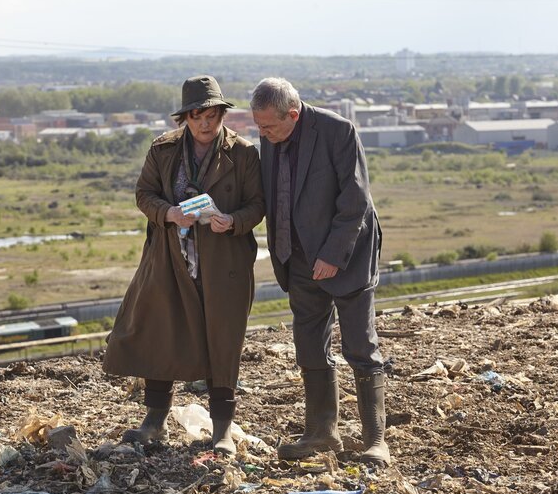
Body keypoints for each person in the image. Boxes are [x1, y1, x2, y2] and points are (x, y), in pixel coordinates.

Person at [104, 75, 264, 456]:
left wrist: (234, 222)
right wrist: (170, 213)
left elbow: (258, 204)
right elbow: (144, 194)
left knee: (222, 343)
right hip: (170, 257)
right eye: (197, 116)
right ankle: (155, 420)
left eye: (212, 115)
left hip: (223, 262)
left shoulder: (243, 153)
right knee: (161, 331)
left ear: (222, 114)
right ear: (185, 118)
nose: (205, 123)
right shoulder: (163, 150)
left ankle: (222, 429)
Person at [250, 77, 389, 466]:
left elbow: (356, 199)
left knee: (360, 347)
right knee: (309, 344)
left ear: (292, 115)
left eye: (268, 127)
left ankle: (375, 441)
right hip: (296, 259)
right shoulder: (272, 135)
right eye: (258, 126)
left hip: (345, 257)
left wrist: (331, 254)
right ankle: (322, 433)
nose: (261, 133)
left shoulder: (338, 132)